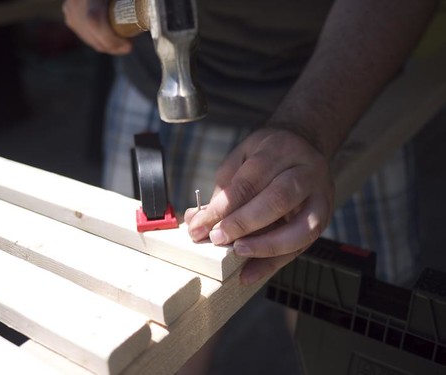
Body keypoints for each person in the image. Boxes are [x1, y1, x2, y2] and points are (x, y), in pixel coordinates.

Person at [63, 0, 437, 372]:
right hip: (157, 90)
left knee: (354, 345)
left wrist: (310, 126)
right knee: (155, 345)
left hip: (349, 81)